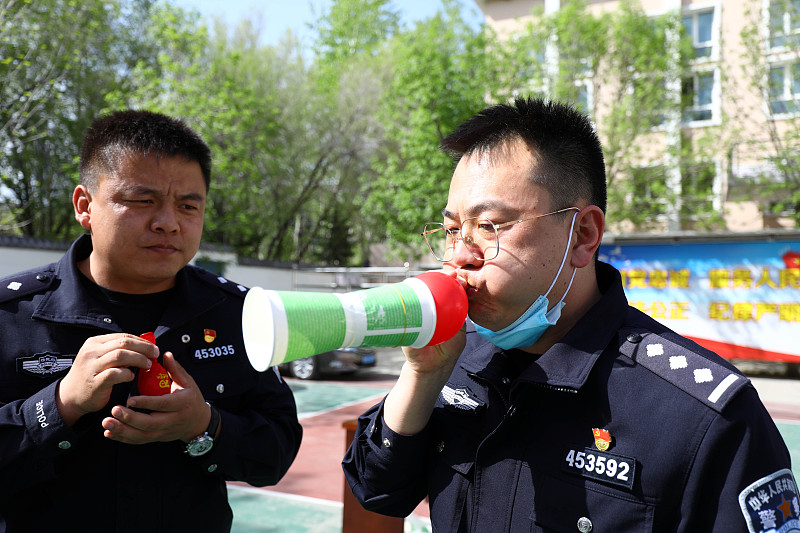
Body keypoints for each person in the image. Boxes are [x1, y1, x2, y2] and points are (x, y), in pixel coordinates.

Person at [342, 97, 796, 532]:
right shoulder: (455, 357)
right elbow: (378, 491)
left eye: (488, 226)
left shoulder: (705, 417)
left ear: (583, 234)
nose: (459, 255)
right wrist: (421, 377)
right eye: (452, 229)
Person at [0, 110, 302, 532]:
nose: (168, 223)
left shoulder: (237, 313)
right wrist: (61, 404)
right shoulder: (10, 315)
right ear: (85, 206)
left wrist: (204, 425)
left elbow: (276, 453)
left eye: (188, 206)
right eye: (142, 201)